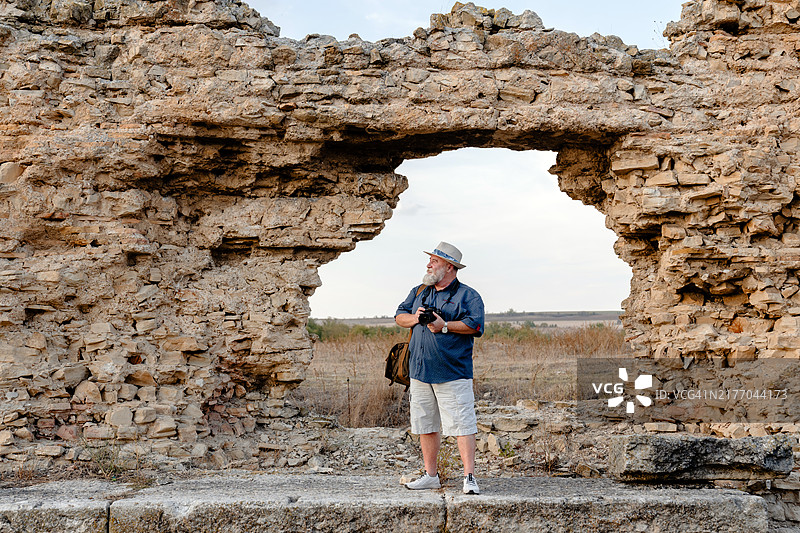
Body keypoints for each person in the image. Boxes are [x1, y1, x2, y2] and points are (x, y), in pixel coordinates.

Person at [395, 241, 485, 495]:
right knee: (425, 424)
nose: (428, 264)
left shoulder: (468, 296)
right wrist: (416, 318)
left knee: (462, 424)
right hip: (420, 372)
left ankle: (469, 477)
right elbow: (399, 315)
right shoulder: (420, 291)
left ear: (449, 267)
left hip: (453, 372)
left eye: (434, 261)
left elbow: (476, 326)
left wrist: (445, 325)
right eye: (430, 260)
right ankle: (430, 475)